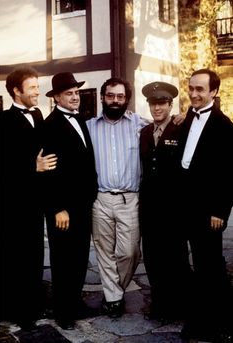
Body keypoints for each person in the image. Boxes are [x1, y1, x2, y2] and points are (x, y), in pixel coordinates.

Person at [86, 77, 183, 318]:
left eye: (120, 96)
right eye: (110, 95)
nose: (115, 100)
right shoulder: (89, 127)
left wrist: (185, 116)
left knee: (130, 252)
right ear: (102, 97)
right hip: (101, 198)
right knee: (104, 252)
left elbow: (164, 123)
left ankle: (115, 289)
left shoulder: (140, 124)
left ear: (127, 99)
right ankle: (114, 298)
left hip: (130, 199)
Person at [0, 67, 57, 330]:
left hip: (36, 203)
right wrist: (31, 167)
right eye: (32, 87)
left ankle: (33, 303)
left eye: (37, 86)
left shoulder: (38, 114)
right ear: (16, 91)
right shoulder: (2, 122)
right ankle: (19, 311)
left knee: (34, 254)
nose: (37, 91)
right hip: (14, 204)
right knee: (16, 257)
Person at [179, 68, 233, 342]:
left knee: (210, 267)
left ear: (214, 92)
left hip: (208, 211)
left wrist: (219, 211)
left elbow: (229, 174)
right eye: (191, 88)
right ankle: (198, 318)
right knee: (196, 266)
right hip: (186, 207)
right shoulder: (188, 117)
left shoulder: (224, 126)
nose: (194, 93)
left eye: (200, 89)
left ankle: (216, 323)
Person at [43, 72, 98, 330]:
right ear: (56, 97)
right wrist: (57, 208)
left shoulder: (80, 119)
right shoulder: (50, 125)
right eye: (69, 93)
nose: (75, 97)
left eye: (76, 92)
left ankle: (74, 302)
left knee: (78, 256)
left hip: (83, 203)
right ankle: (63, 312)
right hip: (63, 208)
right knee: (63, 259)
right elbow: (49, 172)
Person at [139, 81, 192, 323]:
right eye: (153, 104)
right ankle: (160, 304)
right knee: (152, 258)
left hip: (174, 209)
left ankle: (179, 305)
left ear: (170, 105)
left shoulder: (182, 128)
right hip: (150, 209)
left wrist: (187, 114)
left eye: (162, 103)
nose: (157, 108)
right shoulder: (145, 132)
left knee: (176, 258)